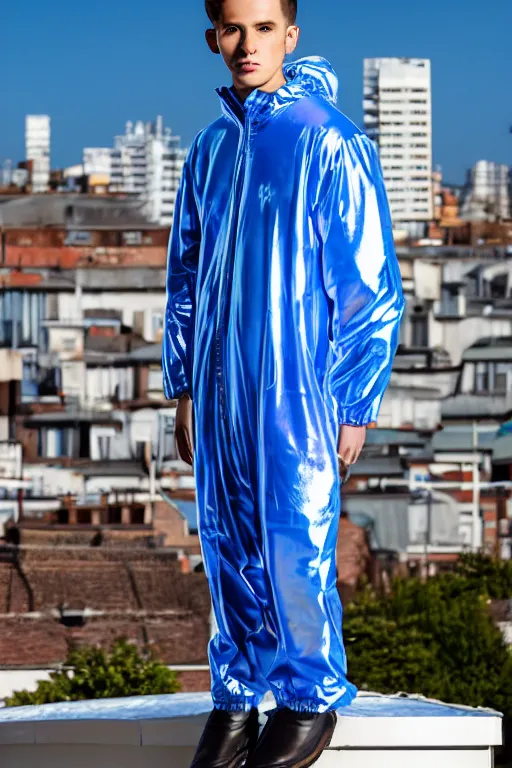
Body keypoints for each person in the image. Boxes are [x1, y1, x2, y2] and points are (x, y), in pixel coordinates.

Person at [162, 0, 404, 764]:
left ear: (290, 35)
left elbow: (368, 283)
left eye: (263, 27)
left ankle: (308, 692)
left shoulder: (330, 141)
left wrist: (356, 400)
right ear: (212, 38)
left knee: (295, 535)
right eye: (232, 28)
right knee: (228, 538)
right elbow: (186, 279)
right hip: (220, 385)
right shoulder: (207, 151)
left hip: (299, 383)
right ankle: (236, 693)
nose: (246, 43)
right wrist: (185, 385)